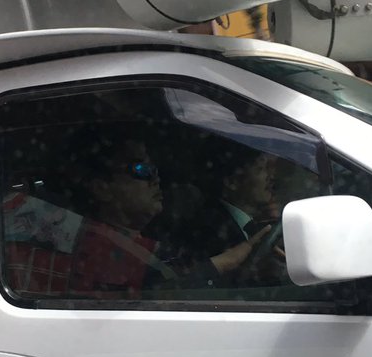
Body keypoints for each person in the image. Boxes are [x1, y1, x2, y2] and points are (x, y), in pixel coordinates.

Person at [66, 127, 267, 297]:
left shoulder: (151, 243)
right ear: (101, 188)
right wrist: (227, 262)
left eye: (155, 169)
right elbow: (155, 299)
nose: (156, 178)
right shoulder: (95, 250)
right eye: (141, 169)